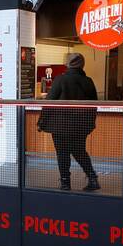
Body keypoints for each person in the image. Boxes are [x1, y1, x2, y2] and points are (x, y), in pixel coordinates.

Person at [40, 52, 100, 191]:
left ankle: (65, 183)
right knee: (79, 151)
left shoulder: (60, 80)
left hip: (60, 125)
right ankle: (92, 178)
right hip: (81, 124)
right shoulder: (88, 81)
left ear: (67, 64)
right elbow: (94, 104)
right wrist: (90, 123)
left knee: (62, 153)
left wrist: (41, 122)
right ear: (82, 64)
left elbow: (49, 102)